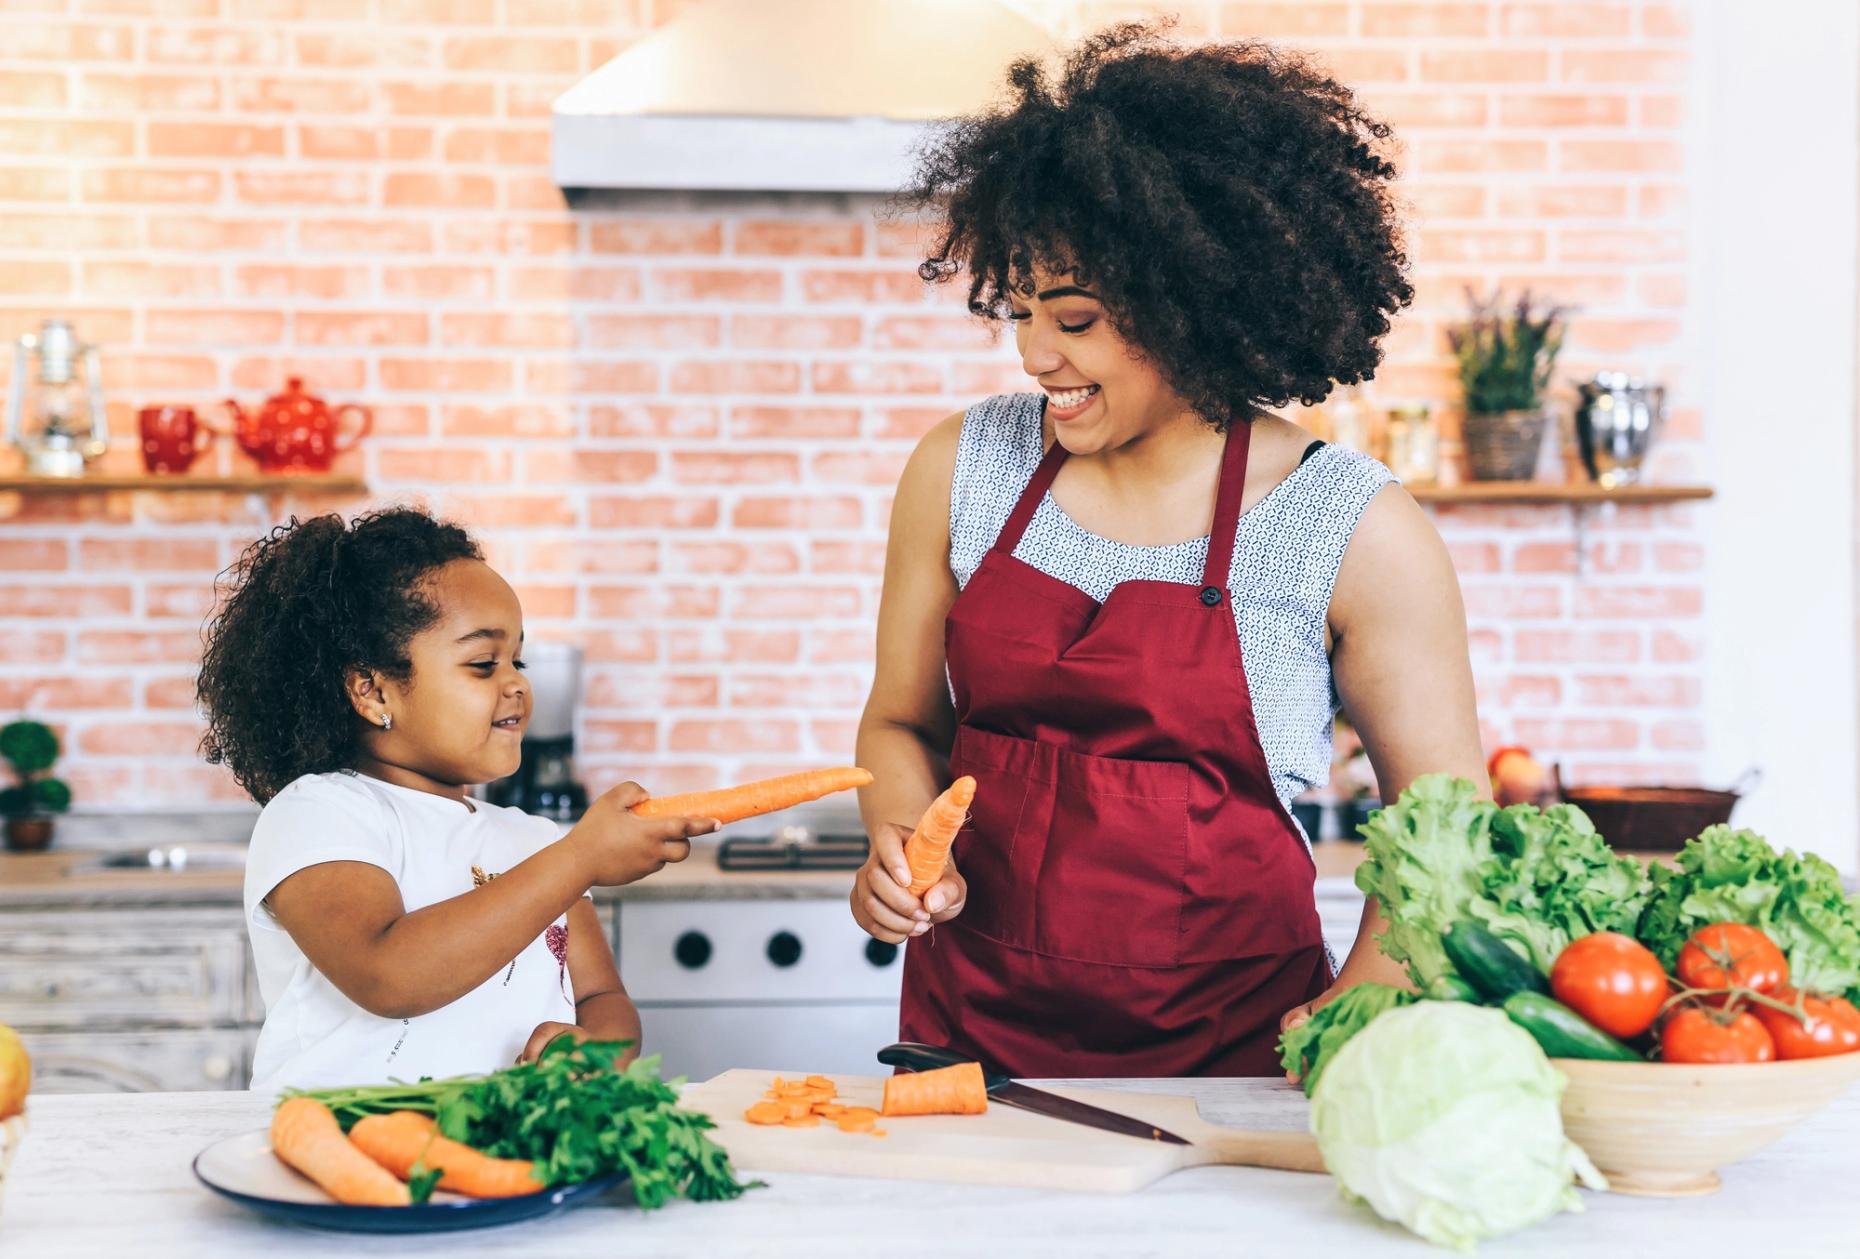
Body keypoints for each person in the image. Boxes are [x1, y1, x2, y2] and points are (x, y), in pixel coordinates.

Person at [850, 25, 1486, 1077]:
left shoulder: (1352, 529)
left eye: (1078, 319)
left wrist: (1337, 1030)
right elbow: (901, 721)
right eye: (1021, 311)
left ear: (1193, 304)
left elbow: (1448, 840)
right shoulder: (963, 468)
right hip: (971, 1056)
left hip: (1238, 1066)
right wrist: (900, 845)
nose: (1035, 353)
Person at [196, 507, 716, 1090]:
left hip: (510, 1162)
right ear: (371, 690)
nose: (517, 682)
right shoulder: (318, 813)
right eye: (482, 664)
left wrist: (595, 1050)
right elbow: (387, 976)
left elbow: (601, 996)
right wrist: (582, 858)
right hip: (343, 1164)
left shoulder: (536, 841)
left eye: (517, 659)